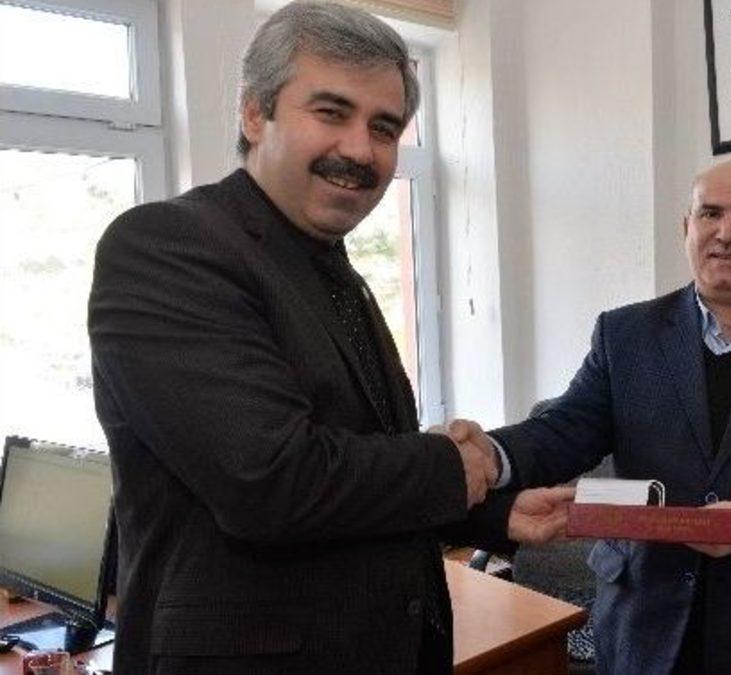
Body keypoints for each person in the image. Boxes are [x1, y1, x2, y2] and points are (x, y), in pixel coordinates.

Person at [87, 4, 570, 674]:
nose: (361, 150)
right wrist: (448, 465)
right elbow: (271, 479)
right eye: (331, 112)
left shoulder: (329, 267)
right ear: (254, 113)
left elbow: (351, 465)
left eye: (384, 127)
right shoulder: (168, 247)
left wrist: (490, 515)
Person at [451, 159, 731, 674]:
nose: (727, 232)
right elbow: (565, 429)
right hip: (642, 623)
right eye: (710, 213)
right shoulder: (624, 334)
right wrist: (489, 456)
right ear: (686, 228)